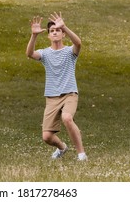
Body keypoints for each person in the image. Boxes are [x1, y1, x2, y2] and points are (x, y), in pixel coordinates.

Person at [26, 12, 87, 161]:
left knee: (67, 118)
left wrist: (64, 26)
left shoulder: (69, 52)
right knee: (47, 137)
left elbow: (78, 43)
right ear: (48, 35)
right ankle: (62, 148)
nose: (54, 32)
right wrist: (34, 35)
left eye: (57, 30)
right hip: (52, 96)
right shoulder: (45, 53)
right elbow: (29, 54)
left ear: (63, 34)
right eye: (51, 31)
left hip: (69, 94)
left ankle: (81, 154)